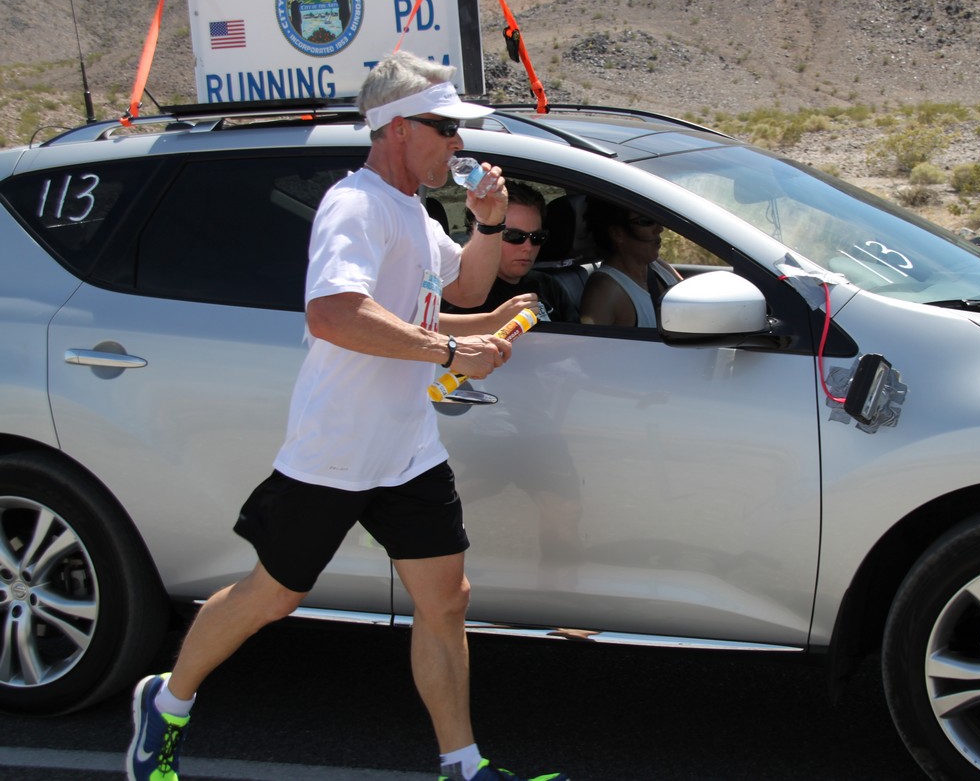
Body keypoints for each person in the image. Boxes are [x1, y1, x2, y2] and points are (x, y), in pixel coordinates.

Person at [126, 52, 567, 781]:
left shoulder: (413, 212)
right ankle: (167, 701)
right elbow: (334, 313)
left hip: (408, 450)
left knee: (445, 600)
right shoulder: (355, 205)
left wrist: (489, 228)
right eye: (446, 129)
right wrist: (449, 352)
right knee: (274, 594)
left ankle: (462, 765)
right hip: (336, 450)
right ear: (398, 128)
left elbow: (460, 290)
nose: (458, 144)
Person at [443, 181, 579, 323]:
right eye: (514, 236)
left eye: (537, 237)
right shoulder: (459, 297)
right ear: (479, 232)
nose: (528, 247)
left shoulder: (548, 286)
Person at [579, 200, 681, 327]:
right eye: (646, 221)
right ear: (617, 233)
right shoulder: (605, 290)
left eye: (657, 219)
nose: (660, 229)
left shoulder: (657, 266)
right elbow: (589, 339)